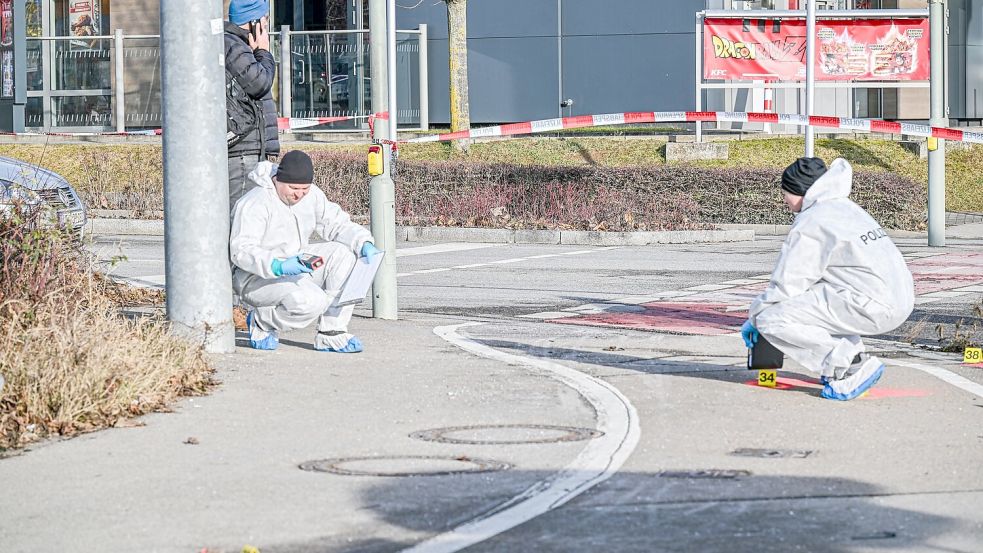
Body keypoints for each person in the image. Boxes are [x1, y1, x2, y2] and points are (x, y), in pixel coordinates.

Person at [741, 157, 914, 401]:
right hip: (897, 298)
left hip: (872, 304)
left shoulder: (812, 222)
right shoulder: (845, 207)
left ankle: (851, 365)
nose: (784, 200)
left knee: (772, 319)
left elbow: (788, 283)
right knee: (814, 302)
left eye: (786, 193)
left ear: (801, 191)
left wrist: (756, 316)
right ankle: (849, 356)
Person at [230, 150, 381, 352]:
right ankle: (262, 321)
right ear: (277, 180)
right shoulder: (255, 203)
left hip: (296, 265)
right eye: (293, 188)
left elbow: (336, 223)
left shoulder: (312, 196)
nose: (299, 194)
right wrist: (277, 265)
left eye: (305, 189)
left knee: (344, 255)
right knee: (311, 301)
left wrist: (363, 242)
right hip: (255, 277)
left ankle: (331, 331)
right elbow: (241, 250)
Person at [225, 0, 280, 213]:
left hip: (248, 150)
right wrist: (264, 52)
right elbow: (260, 83)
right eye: (265, 22)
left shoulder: (238, 47)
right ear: (254, 22)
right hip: (243, 152)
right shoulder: (234, 46)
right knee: (242, 219)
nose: (266, 29)